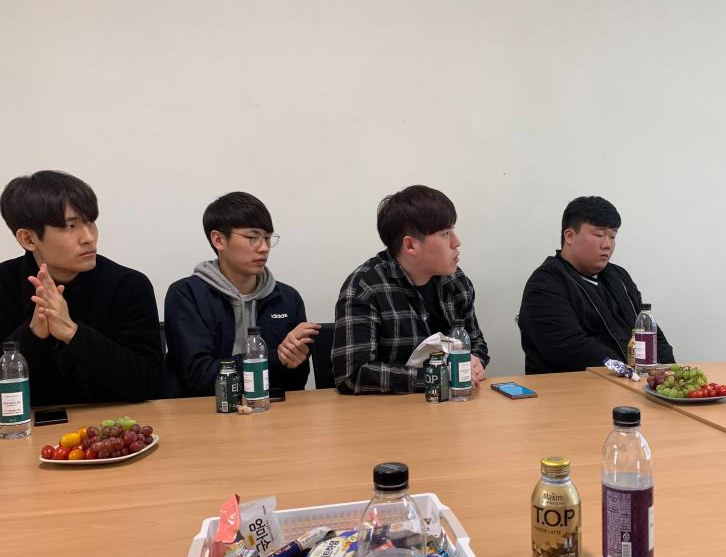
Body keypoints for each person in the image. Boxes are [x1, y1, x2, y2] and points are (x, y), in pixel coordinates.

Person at [0, 170, 163, 405]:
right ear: (29, 239)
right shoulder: (4, 285)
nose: (89, 237)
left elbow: (149, 382)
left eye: (90, 222)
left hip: (115, 423)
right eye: (70, 226)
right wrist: (33, 333)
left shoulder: (128, 286)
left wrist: (71, 332)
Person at [333, 185, 489, 394]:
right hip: (393, 411)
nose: (456, 242)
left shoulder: (456, 282)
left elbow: (476, 341)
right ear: (410, 246)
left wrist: (475, 361)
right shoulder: (365, 287)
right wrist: (439, 376)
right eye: (445, 233)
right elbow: (352, 375)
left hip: (454, 404)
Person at [163, 192, 317, 396]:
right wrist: (276, 357)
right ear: (219, 240)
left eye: (267, 238)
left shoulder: (287, 298)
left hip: (270, 409)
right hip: (203, 409)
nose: (264, 248)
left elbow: (296, 383)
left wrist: (293, 360)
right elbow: (199, 377)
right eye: (252, 238)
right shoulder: (186, 295)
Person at [518, 196, 674, 374]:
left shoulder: (620, 277)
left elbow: (651, 333)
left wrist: (668, 372)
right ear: (569, 236)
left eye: (612, 236)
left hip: (633, 382)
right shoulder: (545, 284)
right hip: (579, 386)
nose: (607, 244)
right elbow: (570, 348)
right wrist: (628, 372)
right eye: (599, 235)